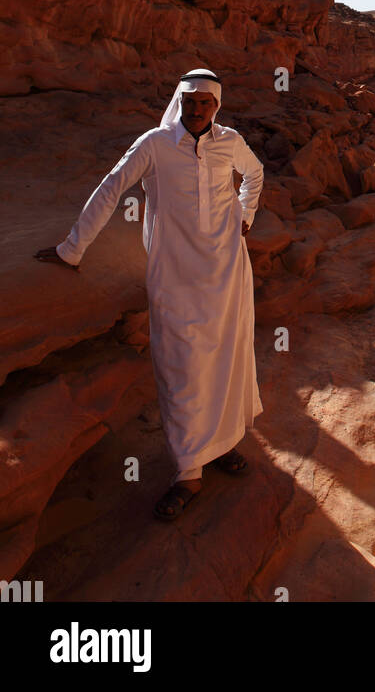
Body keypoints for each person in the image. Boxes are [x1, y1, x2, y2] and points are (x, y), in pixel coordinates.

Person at [35, 69, 265, 520]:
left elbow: (254, 175)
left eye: (206, 102)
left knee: (224, 357)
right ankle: (188, 473)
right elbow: (111, 188)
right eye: (190, 101)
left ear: (217, 105)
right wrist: (72, 248)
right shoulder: (155, 144)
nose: (197, 109)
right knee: (180, 366)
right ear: (179, 100)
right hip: (174, 273)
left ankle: (219, 446)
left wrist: (245, 215)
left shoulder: (230, 141)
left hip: (226, 269)